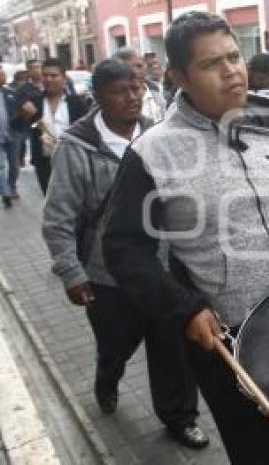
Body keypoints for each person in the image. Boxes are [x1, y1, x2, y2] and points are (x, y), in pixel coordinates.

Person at [101, 10, 269, 464]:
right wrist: (184, 308)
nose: (231, 70)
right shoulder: (153, 152)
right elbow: (124, 248)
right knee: (255, 451)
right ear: (179, 76)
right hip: (226, 337)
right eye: (210, 64)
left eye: (233, 56)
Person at [41, 59, 208, 449]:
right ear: (97, 97)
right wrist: (71, 272)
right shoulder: (77, 146)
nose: (132, 97)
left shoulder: (157, 137)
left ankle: (180, 417)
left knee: (171, 348)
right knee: (117, 344)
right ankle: (107, 376)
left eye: (136, 88)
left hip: (160, 269)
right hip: (106, 276)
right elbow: (58, 216)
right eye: (121, 91)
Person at [17, 58, 90, 194]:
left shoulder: (77, 103)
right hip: (45, 163)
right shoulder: (34, 102)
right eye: (45, 75)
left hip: (73, 162)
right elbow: (17, 127)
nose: (48, 79)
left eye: (54, 76)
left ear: (64, 78)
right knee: (52, 203)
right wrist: (24, 115)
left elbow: (88, 132)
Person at [114, 48, 166, 122]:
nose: (135, 71)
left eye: (139, 66)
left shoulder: (157, 90)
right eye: (129, 67)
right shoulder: (115, 99)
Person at [0, 69, 13, 207]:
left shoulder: (9, 92)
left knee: (14, 165)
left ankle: (9, 187)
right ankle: (6, 192)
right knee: (1, 166)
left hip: (10, 135)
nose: (3, 77)